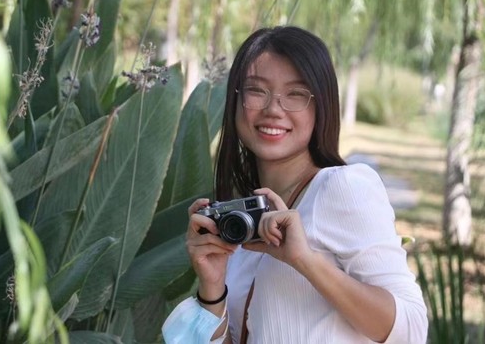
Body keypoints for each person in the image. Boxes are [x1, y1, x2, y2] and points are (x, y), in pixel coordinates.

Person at [162, 26, 428, 343]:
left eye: (296, 94)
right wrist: (213, 286)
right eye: (256, 90)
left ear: (321, 107)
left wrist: (304, 260)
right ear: (235, 100)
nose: (273, 109)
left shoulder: (342, 187)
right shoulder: (245, 226)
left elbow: (412, 329)